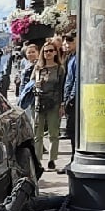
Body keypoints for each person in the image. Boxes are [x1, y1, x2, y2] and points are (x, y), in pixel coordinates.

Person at [31, 37, 65, 170]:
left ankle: (52, 159)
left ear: (55, 53)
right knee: (37, 134)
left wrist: (62, 105)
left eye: (51, 51)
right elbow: (30, 85)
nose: (48, 53)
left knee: (53, 133)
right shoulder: (38, 68)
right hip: (39, 102)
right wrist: (36, 85)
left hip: (54, 103)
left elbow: (62, 87)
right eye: (45, 51)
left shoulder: (59, 69)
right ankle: (38, 161)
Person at [62, 30, 79, 164]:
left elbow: (76, 80)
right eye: (65, 41)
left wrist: (71, 99)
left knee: (74, 132)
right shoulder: (70, 57)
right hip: (69, 98)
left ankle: (74, 159)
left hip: (74, 101)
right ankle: (73, 158)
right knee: (71, 132)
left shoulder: (77, 58)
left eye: (70, 41)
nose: (66, 44)